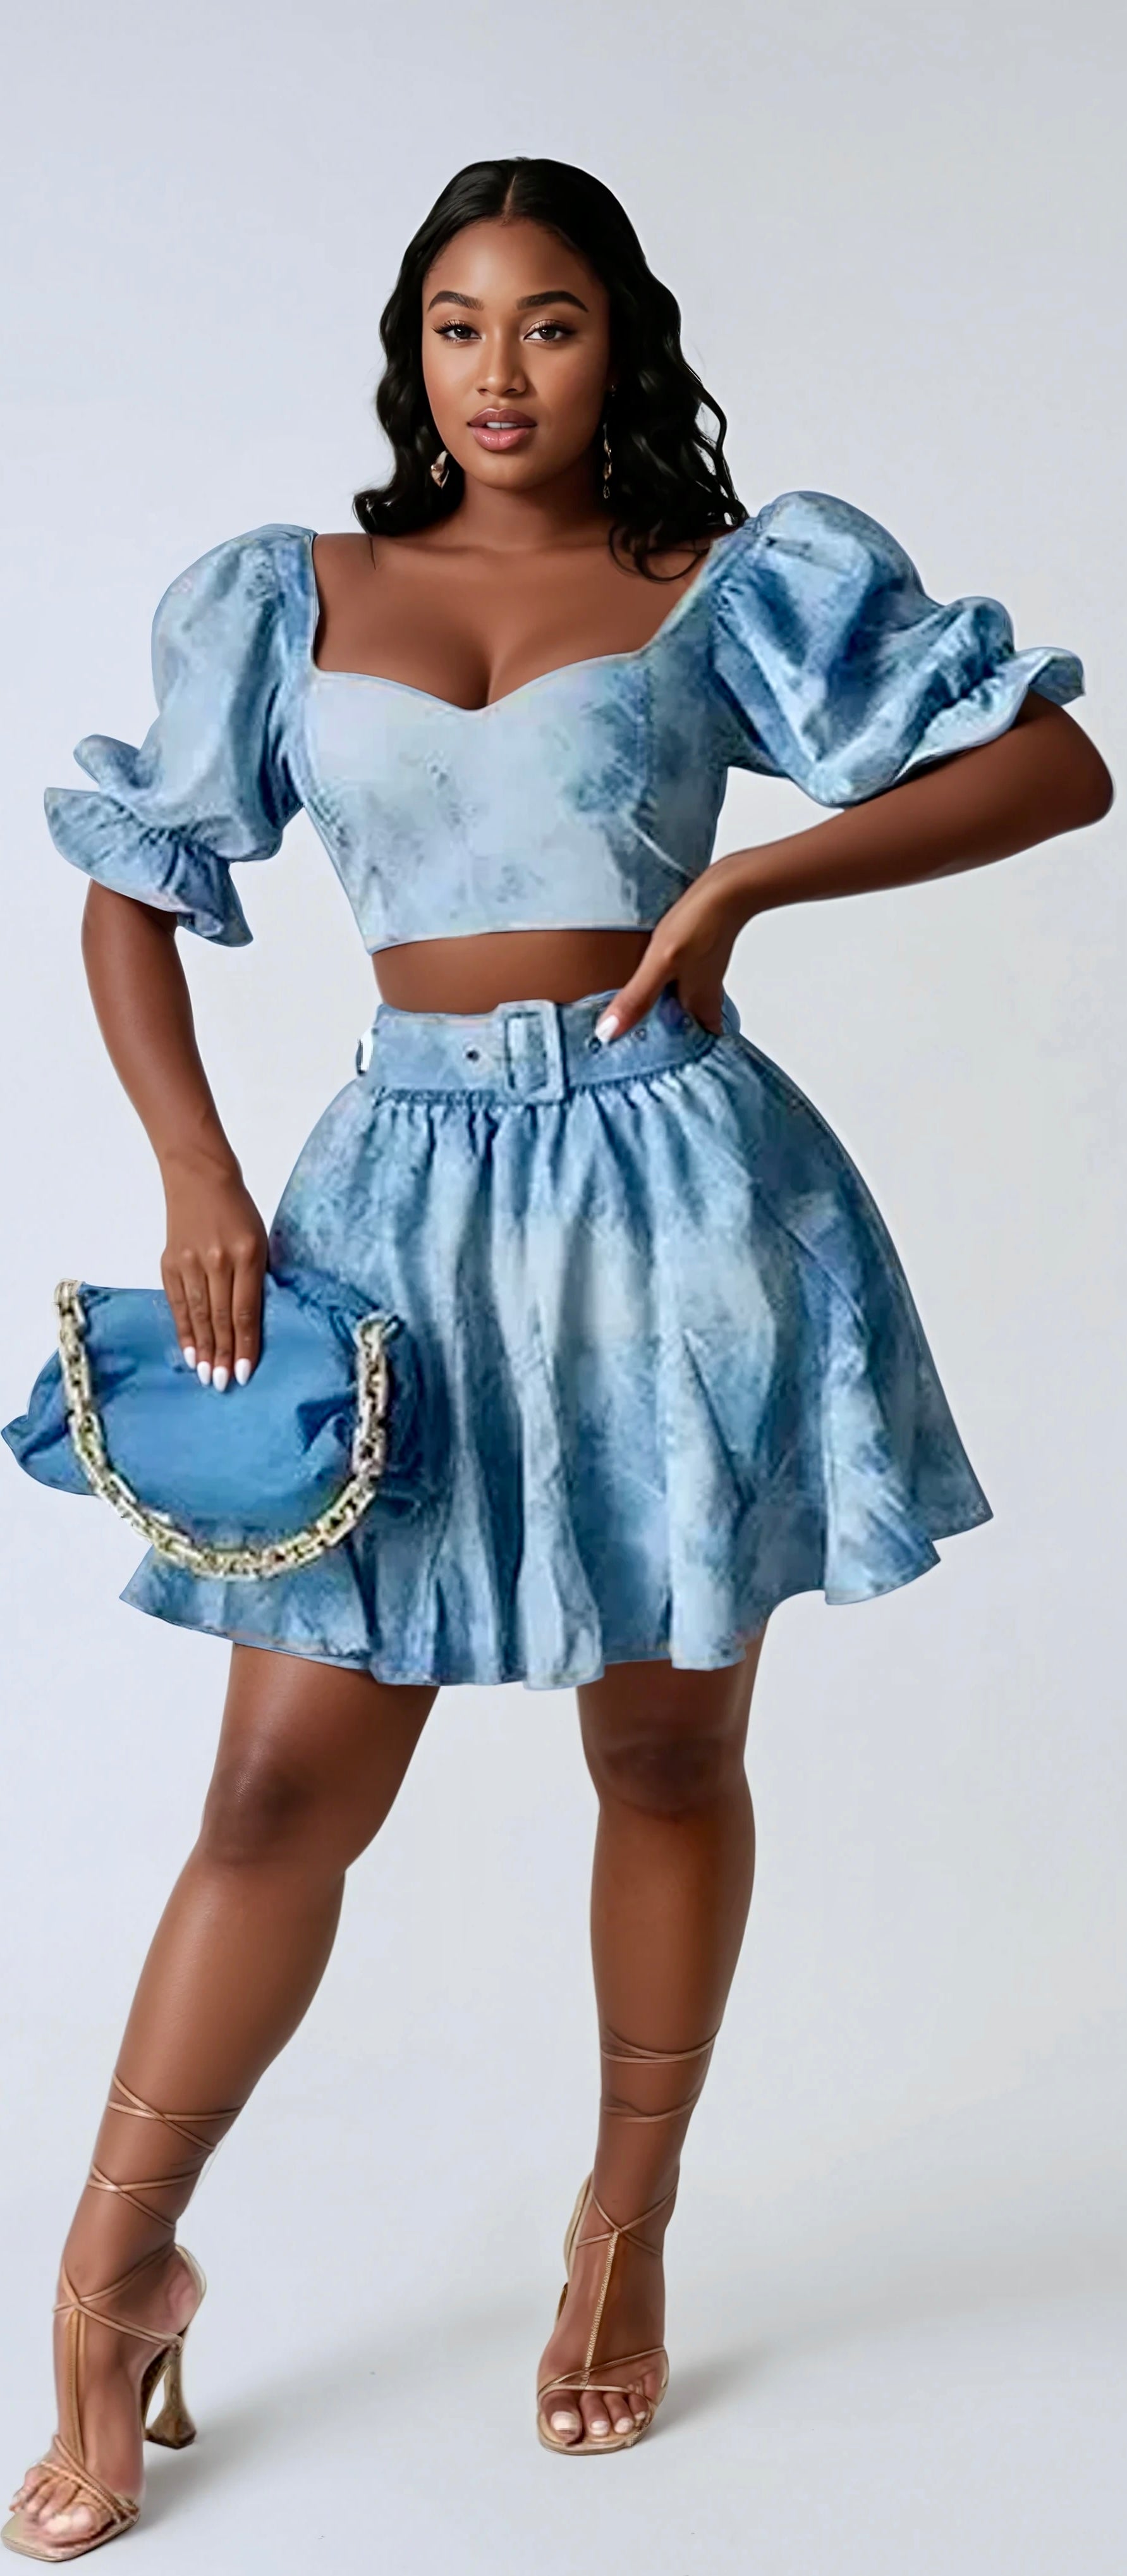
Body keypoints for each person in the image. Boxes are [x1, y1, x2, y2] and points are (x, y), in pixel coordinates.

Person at [4, 152, 1111, 2558]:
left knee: (667, 1742)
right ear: (409, 348)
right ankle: (108, 2276)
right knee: (277, 1788)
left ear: (624, 343)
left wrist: (752, 873)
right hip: (391, 1217)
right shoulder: (291, 595)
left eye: (551, 323)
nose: (498, 372)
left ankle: (625, 2226)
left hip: (675, 1193)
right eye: (457, 324)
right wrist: (198, 1174)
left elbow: (1052, 766)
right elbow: (129, 888)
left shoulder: (729, 581)